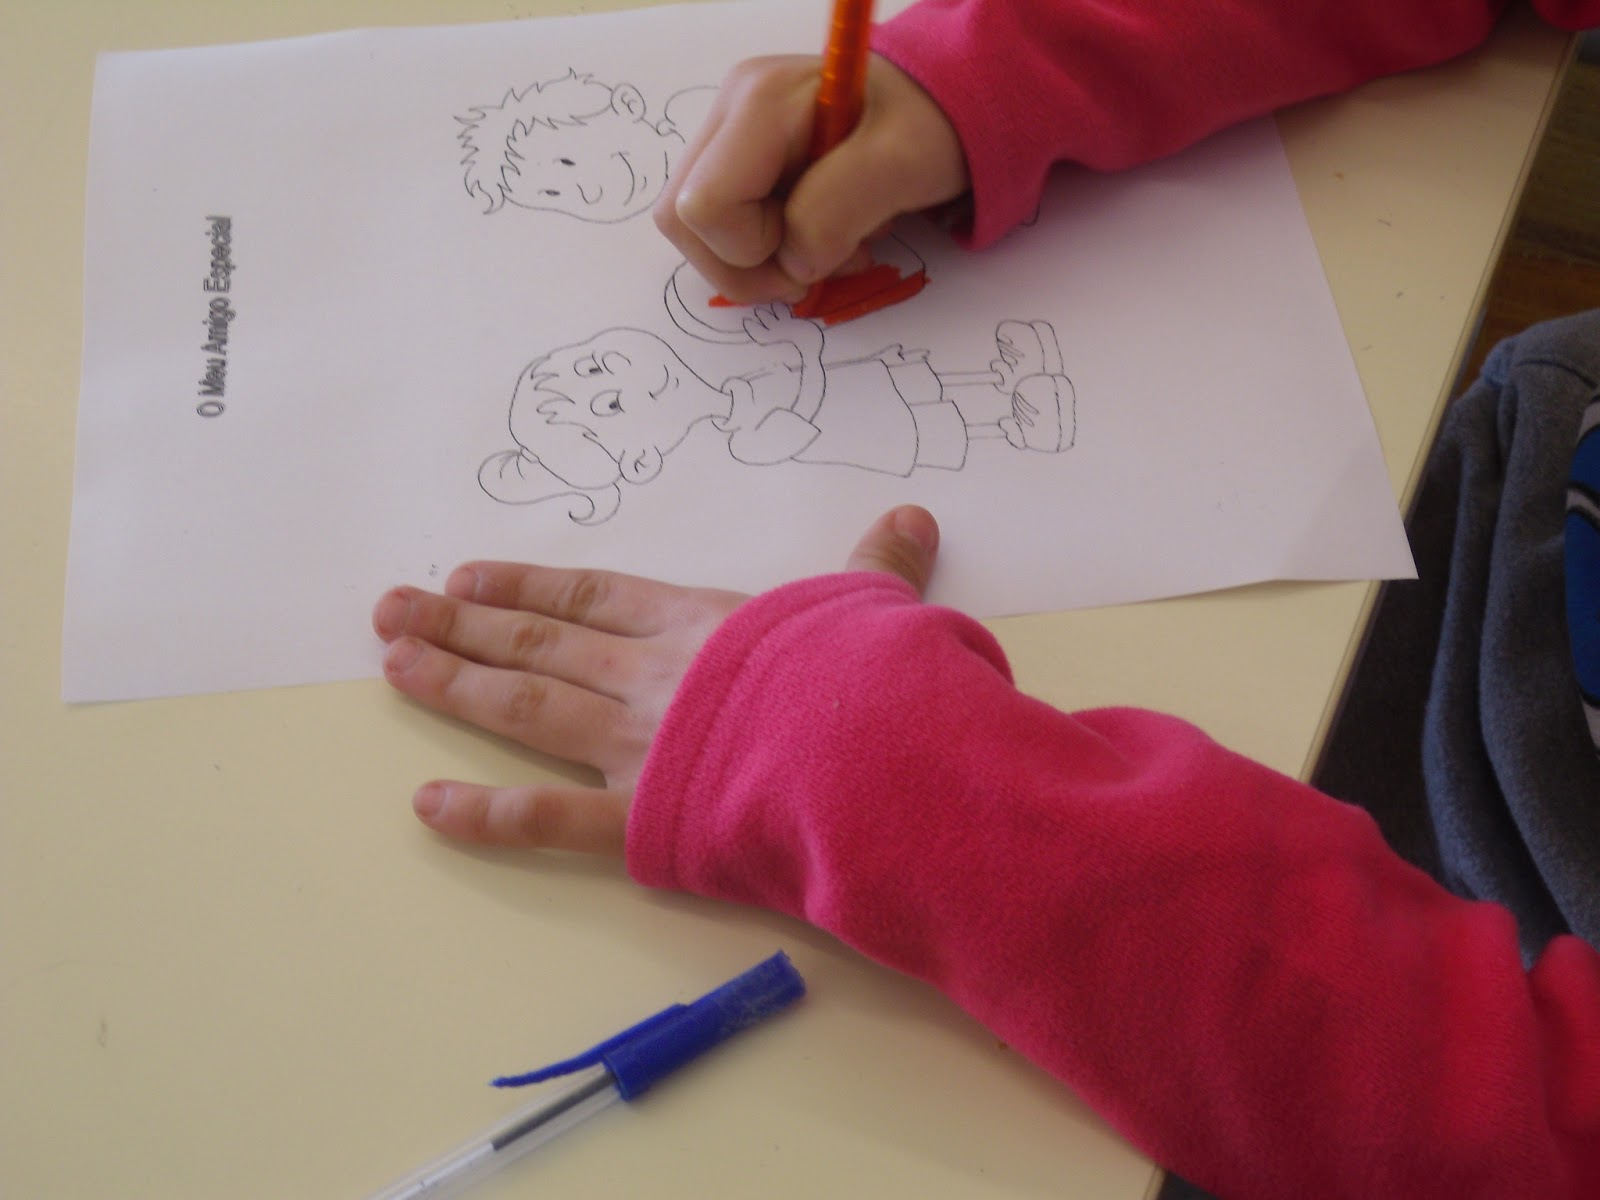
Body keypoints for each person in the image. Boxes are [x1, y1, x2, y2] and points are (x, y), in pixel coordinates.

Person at [377, 1, 1600, 1195]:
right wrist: (988, 77)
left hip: (1433, 943)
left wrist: (882, 783)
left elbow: (1512, 1126)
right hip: (1508, 514)